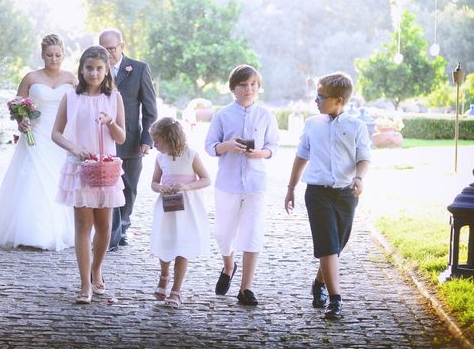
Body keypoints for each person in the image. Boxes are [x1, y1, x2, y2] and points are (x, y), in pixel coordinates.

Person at [0, 34, 77, 250]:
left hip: (61, 136)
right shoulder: (30, 78)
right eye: (49, 55)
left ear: (63, 55)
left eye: (58, 55)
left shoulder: (71, 79)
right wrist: (22, 121)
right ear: (42, 55)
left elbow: (77, 108)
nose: (54, 59)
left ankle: (62, 230)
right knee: (34, 179)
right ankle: (33, 232)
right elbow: (18, 106)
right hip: (36, 135)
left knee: (58, 179)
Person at [284, 72, 370, 320]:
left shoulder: (357, 127)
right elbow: (301, 156)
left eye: (321, 96)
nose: (316, 101)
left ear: (339, 100)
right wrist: (291, 188)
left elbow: (364, 158)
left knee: (336, 245)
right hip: (317, 193)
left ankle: (319, 282)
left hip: (346, 194)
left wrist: (359, 178)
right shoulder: (312, 124)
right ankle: (336, 299)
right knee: (327, 244)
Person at [52, 45, 126, 304]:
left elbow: (122, 136)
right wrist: (74, 148)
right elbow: (56, 133)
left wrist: (111, 122)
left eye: (99, 69)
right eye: (89, 68)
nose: (94, 73)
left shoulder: (113, 98)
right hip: (79, 166)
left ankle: (97, 269)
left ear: (107, 71)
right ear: (81, 69)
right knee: (83, 225)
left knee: (104, 226)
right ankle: (84, 283)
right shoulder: (70, 97)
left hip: (105, 167)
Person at [204, 64, 280, 306]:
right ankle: (228, 265)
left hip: (256, 183)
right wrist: (227, 145)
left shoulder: (267, 115)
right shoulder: (223, 115)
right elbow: (210, 146)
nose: (249, 89)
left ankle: (246, 288)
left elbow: (274, 146)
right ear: (233, 88)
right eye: (243, 85)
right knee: (224, 233)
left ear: (258, 87)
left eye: (253, 85)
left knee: (252, 232)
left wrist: (261, 153)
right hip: (227, 183)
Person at [99, 29, 157, 251]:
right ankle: (109, 231)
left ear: (122, 46)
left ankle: (123, 226)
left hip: (132, 139)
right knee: (106, 186)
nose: (108, 53)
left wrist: (147, 139)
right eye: (104, 49)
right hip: (103, 138)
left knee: (129, 187)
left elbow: (150, 109)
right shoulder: (96, 69)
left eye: (112, 48)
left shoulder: (139, 69)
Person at [149, 117, 211, 309]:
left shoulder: (191, 155)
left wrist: (186, 186)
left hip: (186, 208)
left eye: (157, 141)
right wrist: (161, 188)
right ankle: (164, 275)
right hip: (167, 207)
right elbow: (154, 183)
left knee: (182, 245)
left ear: (169, 138)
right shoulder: (160, 158)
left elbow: (206, 179)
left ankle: (176, 289)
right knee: (166, 241)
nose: (155, 145)